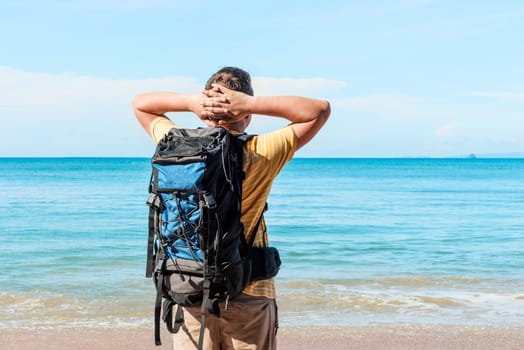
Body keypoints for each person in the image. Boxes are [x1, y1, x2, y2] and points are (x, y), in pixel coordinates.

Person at [133, 67, 330, 350]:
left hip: (189, 284)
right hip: (249, 292)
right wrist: (248, 103)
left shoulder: (175, 145)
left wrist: (190, 103)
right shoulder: (262, 150)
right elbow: (319, 110)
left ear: (203, 111)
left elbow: (141, 104)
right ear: (245, 113)